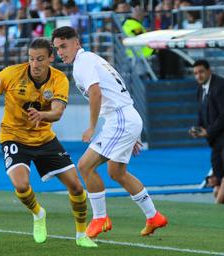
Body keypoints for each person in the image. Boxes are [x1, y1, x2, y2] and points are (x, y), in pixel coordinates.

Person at [0, 38, 97, 248]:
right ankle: (38, 214)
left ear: (50, 58)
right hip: (14, 136)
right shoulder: (11, 74)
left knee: (76, 187)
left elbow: (57, 112)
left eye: (40, 59)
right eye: (31, 59)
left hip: (45, 139)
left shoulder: (59, 79)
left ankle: (81, 235)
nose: (35, 64)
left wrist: (43, 115)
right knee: (21, 184)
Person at [52, 26, 168, 238]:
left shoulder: (83, 62)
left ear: (76, 43)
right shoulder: (90, 59)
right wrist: (130, 132)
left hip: (121, 119)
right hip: (124, 118)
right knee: (117, 172)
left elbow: (96, 93)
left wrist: (91, 127)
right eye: (57, 48)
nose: (60, 52)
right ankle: (154, 216)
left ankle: (100, 218)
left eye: (63, 46)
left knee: (85, 166)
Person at [189, 59, 224, 204]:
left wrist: (208, 131)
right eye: (196, 73)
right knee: (217, 183)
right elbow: (202, 112)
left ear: (209, 71)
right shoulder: (200, 89)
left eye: (201, 72)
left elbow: (223, 115)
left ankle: (216, 208)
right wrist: (197, 128)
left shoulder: (220, 86)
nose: (198, 76)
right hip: (216, 141)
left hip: (222, 139)